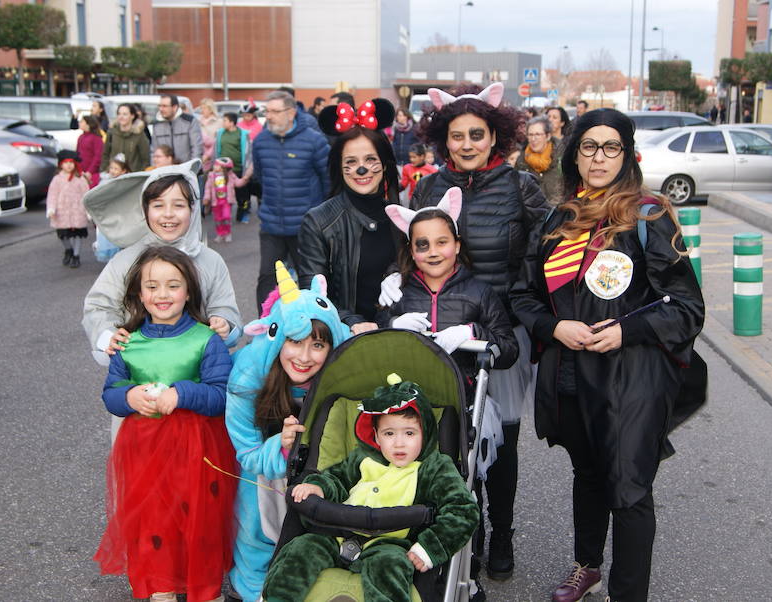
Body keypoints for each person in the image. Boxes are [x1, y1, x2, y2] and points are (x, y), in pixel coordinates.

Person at [510, 108, 705, 602]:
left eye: (610, 147)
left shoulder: (648, 215)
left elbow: (686, 308)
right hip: (569, 376)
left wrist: (629, 331)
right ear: (574, 154)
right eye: (589, 146)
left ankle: (628, 592)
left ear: (627, 154)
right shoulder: (559, 216)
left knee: (630, 488)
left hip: (630, 379)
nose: (599, 157)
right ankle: (587, 566)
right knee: (589, 474)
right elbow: (524, 295)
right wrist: (555, 326)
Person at [390, 82, 546, 582]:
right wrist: (395, 280)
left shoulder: (521, 185)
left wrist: (520, 300)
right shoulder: (428, 187)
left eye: (477, 134)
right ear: (443, 138)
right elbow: (412, 245)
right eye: (456, 136)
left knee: (499, 444)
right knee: (446, 439)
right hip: (439, 333)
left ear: (494, 135)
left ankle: (501, 533)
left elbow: (548, 250)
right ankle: (461, 534)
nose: (467, 144)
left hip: (499, 333)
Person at [93, 245, 237, 602]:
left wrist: (183, 393)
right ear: (138, 294)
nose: (162, 295)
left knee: (199, 518)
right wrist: (128, 397)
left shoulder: (205, 339)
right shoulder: (129, 343)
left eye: (173, 285)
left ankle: (204, 588)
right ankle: (162, 585)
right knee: (155, 517)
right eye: (152, 286)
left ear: (189, 291)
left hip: (198, 451)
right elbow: (110, 393)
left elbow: (221, 395)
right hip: (145, 452)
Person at [261, 374, 480, 602]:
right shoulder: (362, 458)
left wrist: (428, 549)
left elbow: (463, 510)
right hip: (336, 534)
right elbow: (336, 479)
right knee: (300, 549)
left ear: (425, 433)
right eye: (389, 434)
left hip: (389, 543)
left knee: (389, 568)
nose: (399, 443)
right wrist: (318, 488)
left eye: (409, 433)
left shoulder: (433, 467)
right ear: (376, 436)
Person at [225, 262, 351, 602]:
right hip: (264, 478)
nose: (304, 357)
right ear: (277, 337)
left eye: (318, 345)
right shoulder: (249, 377)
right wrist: (278, 448)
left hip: (322, 477)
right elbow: (247, 454)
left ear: (332, 346)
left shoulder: (345, 377)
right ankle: (256, 575)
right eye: (294, 342)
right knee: (259, 508)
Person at [82, 161, 242, 399]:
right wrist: (108, 334)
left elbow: (224, 305)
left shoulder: (210, 261)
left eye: (178, 205)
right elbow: (98, 305)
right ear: (145, 210)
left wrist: (224, 323)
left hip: (199, 381)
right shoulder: (127, 260)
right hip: (139, 381)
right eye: (158, 205)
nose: (168, 214)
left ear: (193, 209)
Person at [379, 188, 518, 373]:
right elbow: (375, 341)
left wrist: (473, 333)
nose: (433, 252)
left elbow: (509, 352)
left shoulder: (480, 293)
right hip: (407, 396)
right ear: (411, 252)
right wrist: (392, 326)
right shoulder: (397, 292)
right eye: (422, 245)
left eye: (442, 242)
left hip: (464, 396)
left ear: (457, 245)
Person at [296, 97, 398, 334]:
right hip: (343, 337)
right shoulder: (319, 221)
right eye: (351, 161)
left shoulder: (401, 218)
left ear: (384, 164)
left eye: (370, 159)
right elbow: (313, 292)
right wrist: (351, 321)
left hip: (396, 334)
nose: (361, 169)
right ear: (339, 167)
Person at [251, 90, 330, 310]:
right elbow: (260, 176)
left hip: (304, 226)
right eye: (267, 111)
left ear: (291, 112)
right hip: (271, 225)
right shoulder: (260, 142)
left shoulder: (314, 141)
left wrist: (321, 219)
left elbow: (328, 180)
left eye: (275, 111)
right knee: (267, 279)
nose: (269, 116)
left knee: (309, 280)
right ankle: (266, 326)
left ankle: (313, 325)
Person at [46, 150, 90, 268]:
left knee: (77, 235)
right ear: (61, 164)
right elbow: (52, 195)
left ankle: (76, 255)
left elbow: (86, 195)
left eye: (71, 162)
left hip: (77, 211)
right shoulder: (57, 179)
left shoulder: (80, 178)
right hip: (62, 213)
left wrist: (88, 211)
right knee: (63, 235)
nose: (69, 165)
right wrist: (51, 208)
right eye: (66, 162)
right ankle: (68, 249)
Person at [515, 116, 565, 205]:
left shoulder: (561, 157)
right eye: (530, 135)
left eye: (537, 134)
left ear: (548, 136)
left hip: (557, 211)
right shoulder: (521, 160)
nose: (533, 139)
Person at [152, 94, 203, 165]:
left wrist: (193, 168)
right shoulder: (156, 125)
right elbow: (154, 150)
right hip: (165, 171)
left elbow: (197, 148)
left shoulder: (189, 122)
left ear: (175, 107)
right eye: (159, 106)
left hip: (186, 170)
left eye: (164, 106)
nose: (161, 109)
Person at [204, 157, 244, 243]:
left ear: (223, 167)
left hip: (226, 201)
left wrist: (245, 179)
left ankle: (227, 233)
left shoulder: (230, 175)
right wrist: (206, 198)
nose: (214, 166)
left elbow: (238, 183)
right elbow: (208, 187)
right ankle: (220, 234)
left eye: (217, 165)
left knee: (226, 217)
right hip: (216, 202)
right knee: (218, 219)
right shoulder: (211, 176)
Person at [100, 103, 150, 173]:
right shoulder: (112, 133)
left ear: (132, 116)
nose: (121, 117)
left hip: (133, 177)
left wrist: (140, 175)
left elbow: (146, 159)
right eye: (119, 114)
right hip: (113, 176)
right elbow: (105, 154)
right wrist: (104, 170)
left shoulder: (139, 135)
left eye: (125, 114)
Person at [77, 114, 104, 187]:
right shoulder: (81, 137)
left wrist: (90, 171)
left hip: (92, 173)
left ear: (88, 124)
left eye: (82, 121)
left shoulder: (96, 138)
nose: (79, 123)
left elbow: (98, 156)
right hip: (81, 171)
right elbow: (77, 154)